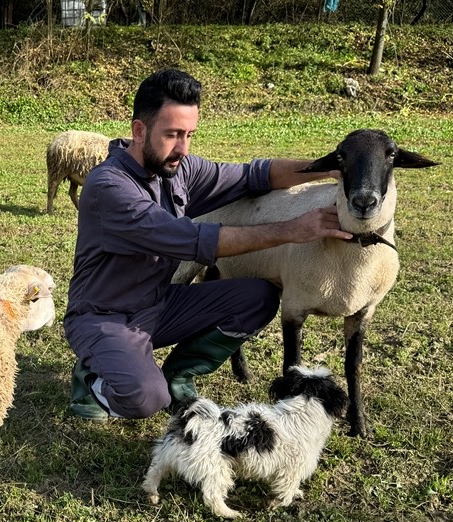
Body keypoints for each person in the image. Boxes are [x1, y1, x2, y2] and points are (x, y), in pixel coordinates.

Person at [64, 68, 350, 420]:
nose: (182, 148)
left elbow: (253, 177)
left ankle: (177, 374)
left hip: (159, 304)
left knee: (256, 298)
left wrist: (328, 168)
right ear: (139, 130)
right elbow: (194, 240)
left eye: (189, 135)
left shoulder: (177, 169)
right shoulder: (110, 187)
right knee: (145, 399)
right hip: (105, 316)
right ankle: (92, 376)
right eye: (172, 134)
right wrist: (293, 229)